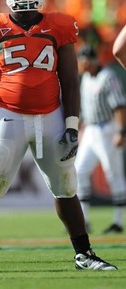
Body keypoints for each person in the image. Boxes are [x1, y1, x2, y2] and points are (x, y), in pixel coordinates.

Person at [0, 0, 117, 270]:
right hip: (9, 116)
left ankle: (83, 254)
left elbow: (70, 80)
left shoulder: (58, 26)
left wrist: (72, 125)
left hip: (51, 116)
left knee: (66, 186)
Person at [75, 45, 126, 233]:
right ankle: (84, 219)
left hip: (107, 128)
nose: (80, 65)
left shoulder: (108, 76)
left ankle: (118, 221)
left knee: (113, 174)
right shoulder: (86, 78)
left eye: (82, 60)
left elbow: (119, 105)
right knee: (79, 171)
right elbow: (86, 108)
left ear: (89, 60)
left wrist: (121, 131)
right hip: (91, 129)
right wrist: (82, 128)